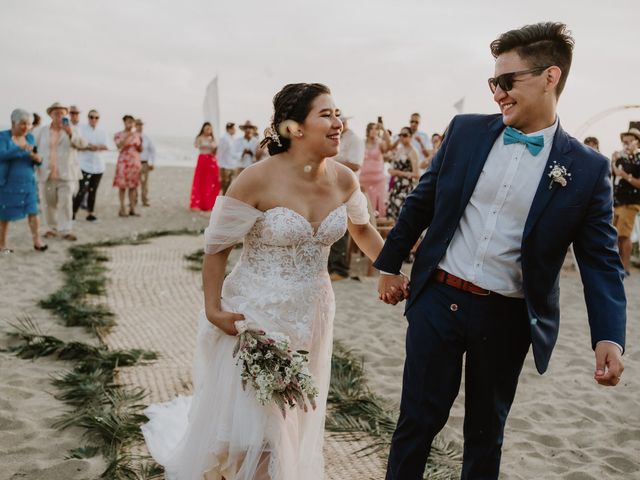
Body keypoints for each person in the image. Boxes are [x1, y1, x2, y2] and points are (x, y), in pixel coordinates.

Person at [375, 22, 626, 480]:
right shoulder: (466, 131)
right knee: (416, 422)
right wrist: (389, 264)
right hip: (437, 300)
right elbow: (422, 201)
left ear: (551, 77)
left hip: (507, 318)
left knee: (486, 435)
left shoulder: (587, 169)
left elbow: (601, 261)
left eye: (508, 82)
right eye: (493, 82)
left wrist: (608, 336)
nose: (497, 94)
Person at [142, 83, 385, 480]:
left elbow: (363, 230)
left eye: (338, 114)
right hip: (255, 317)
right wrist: (213, 309)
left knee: (287, 416)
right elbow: (217, 248)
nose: (338, 123)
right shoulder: (254, 180)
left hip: (313, 315)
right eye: (326, 114)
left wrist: (390, 270)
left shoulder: (344, 180)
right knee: (259, 431)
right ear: (294, 128)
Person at [35, 102, 86, 241]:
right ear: (50, 115)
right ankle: (50, 228)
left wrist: (70, 133)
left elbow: (82, 144)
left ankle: (66, 229)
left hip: (67, 174)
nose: (59, 116)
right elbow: (34, 148)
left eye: (62, 113)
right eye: (56, 113)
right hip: (46, 173)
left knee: (66, 203)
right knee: (47, 203)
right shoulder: (42, 131)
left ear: (66, 115)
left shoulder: (73, 129)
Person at [0, 109, 47, 253]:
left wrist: (38, 159)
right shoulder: (3, 136)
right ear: (13, 122)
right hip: (8, 183)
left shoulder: (30, 138)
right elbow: (1, 155)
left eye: (28, 124)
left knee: (33, 211)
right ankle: (1, 245)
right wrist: (19, 148)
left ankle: (37, 241)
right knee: (4, 215)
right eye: (22, 124)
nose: (26, 127)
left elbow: (35, 156)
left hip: (28, 182)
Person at [328, 111, 365, 281]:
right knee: (329, 225)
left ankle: (340, 269)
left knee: (341, 227)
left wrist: (329, 163)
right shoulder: (334, 138)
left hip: (345, 188)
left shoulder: (354, 140)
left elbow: (355, 165)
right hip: (329, 186)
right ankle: (331, 267)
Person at [611, 128, 640, 276]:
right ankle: (619, 265)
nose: (626, 144)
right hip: (618, 200)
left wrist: (625, 176)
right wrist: (614, 161)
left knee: (624, 234)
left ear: (637, 141)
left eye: (629, 141)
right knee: (616, 234)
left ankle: (625, 267)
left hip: (631, 201)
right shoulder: (621, 157)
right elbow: (613, 175)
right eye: (624, 141)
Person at [73, 109, 108, 221]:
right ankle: (73, 212)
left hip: (98, 166)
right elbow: (77, 145)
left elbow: (106, 146)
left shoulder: (102, 131)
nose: (94, 119)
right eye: (91, 117)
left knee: (93, 190)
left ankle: (90, 213)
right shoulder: (81, 129)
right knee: (82, 190)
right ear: (88, 118)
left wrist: (96, 147)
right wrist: (89, 147)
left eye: (96, 117)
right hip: (84, 165)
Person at [386, 126, 419, 221]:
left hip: (406, 187)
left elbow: (416, 174)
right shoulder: (399, 149)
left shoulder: (413, 152)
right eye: (400, 135)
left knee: (403, 216)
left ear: (411, 137)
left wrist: (397, 172)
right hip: (396, 186)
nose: (402, 137)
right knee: (393, 215)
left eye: (405, 135)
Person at [113, 115, 142, 217]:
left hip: (134, 163)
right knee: (122, 187)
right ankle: (122, 208)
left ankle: (132, 209)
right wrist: (129, 134)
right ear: (124, 122)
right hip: (123, 163)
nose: (130, 123)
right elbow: (120, 145)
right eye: (128, 121)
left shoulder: (137, 135)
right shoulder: (118, 134)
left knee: (133, 187)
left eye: (131, 121)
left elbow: (139, 149)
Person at [360, 121, 391, 216]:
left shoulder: (380, 143)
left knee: (379, 206)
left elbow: (389, 145)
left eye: (376, 129)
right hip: (364, 180)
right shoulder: (361, 143)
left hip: (378, 180)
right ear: (368, 131)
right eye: (372, 129)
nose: (374, 131)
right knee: (365, 206)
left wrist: (383, 128)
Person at [189, 122, 220, 211]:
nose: (208, 130)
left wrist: (213, 145)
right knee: (200, 180)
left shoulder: (212, 139)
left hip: (211, 161)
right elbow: (196, 145)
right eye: (207, 129)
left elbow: (215, 152)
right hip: (202, 160)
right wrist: (201, 141)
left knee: (210, 182)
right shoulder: (200, 138)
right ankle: (198, 203)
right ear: (203, 129)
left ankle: (209, 204)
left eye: (210, 129)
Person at [136, 118, 156, 207]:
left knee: (145, 183)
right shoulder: (132, 136)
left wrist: (152, 163)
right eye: (138, 125)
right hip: (134, 163)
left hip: (144, 163)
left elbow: (153, 151)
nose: (140, 126)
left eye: (141, 125)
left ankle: (145, 200)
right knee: (134, 182)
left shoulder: (147, 137)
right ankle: (133, 200)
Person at [217, 122, 238, 194]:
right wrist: (220, 165)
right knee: (224, 186)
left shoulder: (232, 139)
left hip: (231, 165)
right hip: (225, 166)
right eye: (234, 128)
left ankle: (224, 202)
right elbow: (220, 152)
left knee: (229, 186)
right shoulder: (224, 138)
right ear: (229, 129)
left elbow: (233, 153)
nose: (235, 130)